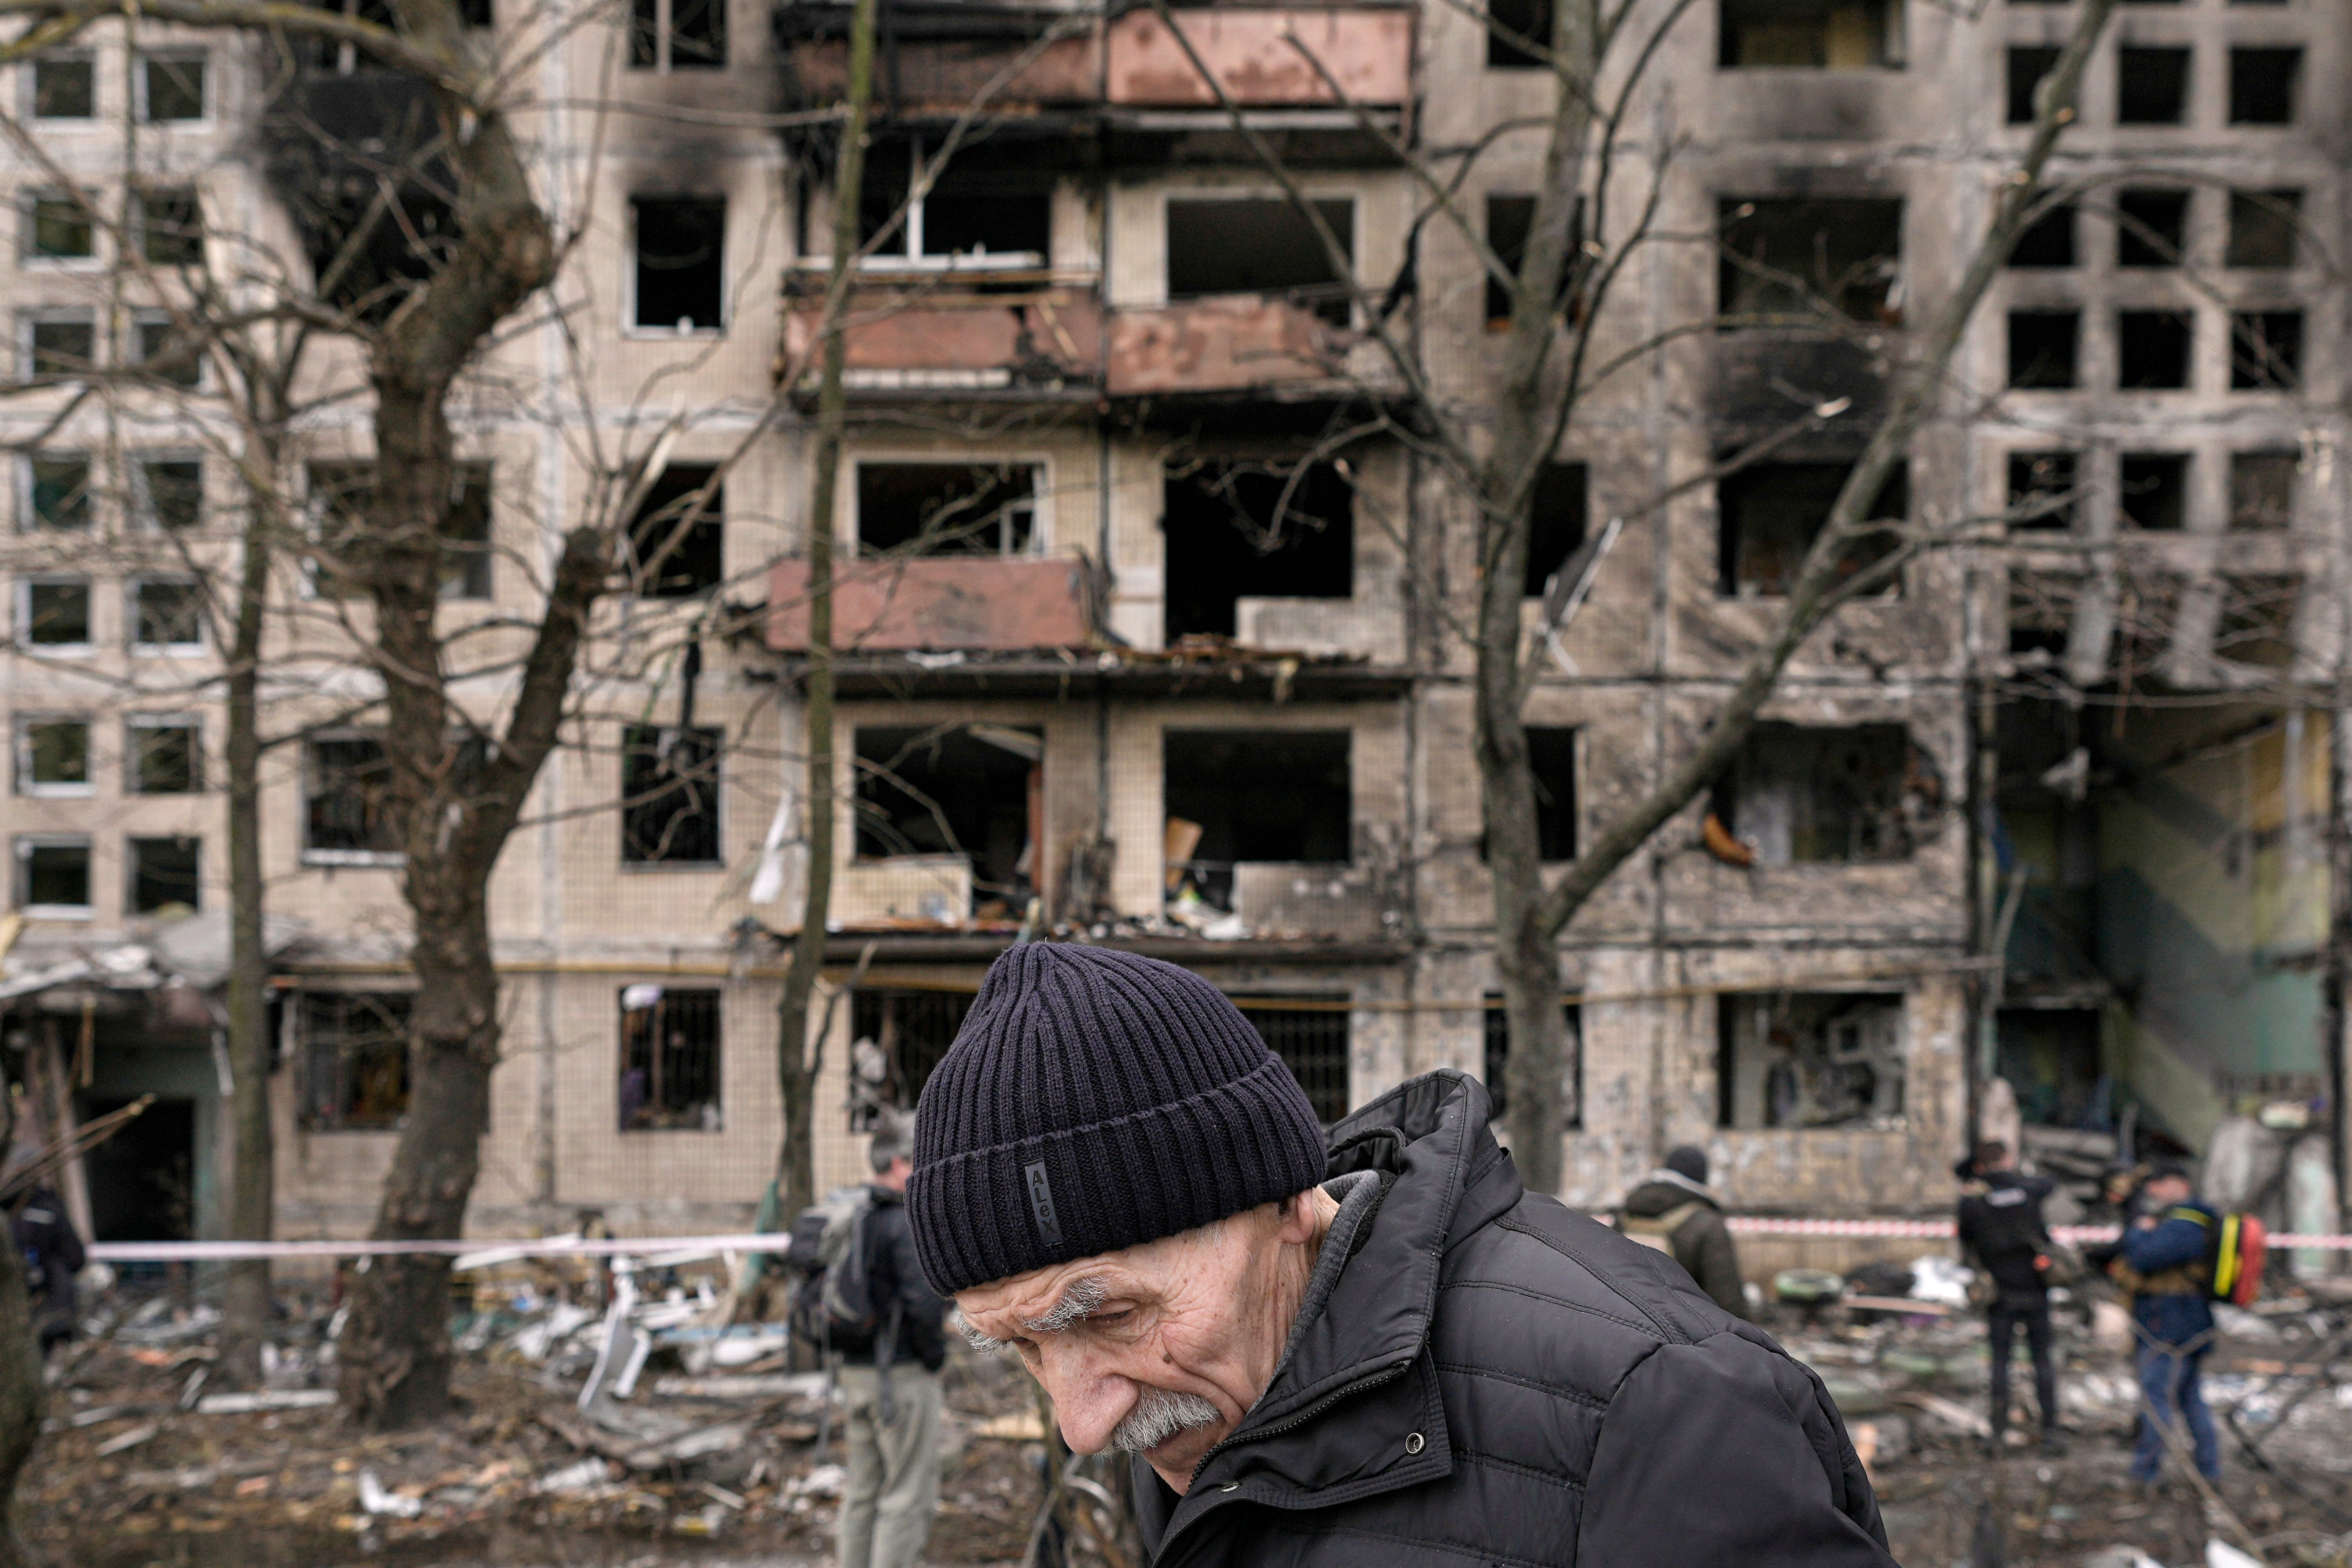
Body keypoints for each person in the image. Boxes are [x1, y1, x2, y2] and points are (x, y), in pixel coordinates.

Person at [910, 945, 1895, 1567]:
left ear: (1282, 1206)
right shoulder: (1196, 1403)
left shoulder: (1659, 1409)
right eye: (1024, 1347)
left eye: (1111, 1314)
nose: (1082, 1422)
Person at [837, 1119, 948, 1568]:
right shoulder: (903, 1222)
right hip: (900, 1378)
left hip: (855, 1374)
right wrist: (934, 1355)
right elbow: (924, 1302)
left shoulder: (857, 1215)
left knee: (862, 1493)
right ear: (900, 1164)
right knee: (906, 1494)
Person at [2115, 1161, 2220, 1488]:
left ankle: (2146, 1473)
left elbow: (2144, 1258)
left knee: (2157, 1398)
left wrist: (2138, 1231)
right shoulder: (2187, 1221)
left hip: (2170, 1325)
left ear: (2179, 1184)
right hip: (2185, 1321)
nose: (2152, 1191)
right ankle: (2209, 1470)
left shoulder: (2184, 1224)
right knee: (2190, 1397)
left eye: (2158, 1183)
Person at [1954, 1139, 2062, 1455]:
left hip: (1999, 1292)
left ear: (1979, 1166)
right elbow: (2050, 1184)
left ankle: (1998, 1435)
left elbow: (1965, 1239)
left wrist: (1973, 1177)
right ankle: (2051, 1433)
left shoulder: (1973, 1200)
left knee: (2001, 1362)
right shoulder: (2029, 1188)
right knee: (2042, 1360)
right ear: (2008, 1158)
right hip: (2035, 1288)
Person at [1616, 1144, 1749, 1318]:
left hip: (1624, 1325)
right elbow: (1727, 1299)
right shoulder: (1707, 1224)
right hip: (1681, 1334)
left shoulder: (1625, 1215)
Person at [11, 1182, 85, 1358]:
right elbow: (76, 1258)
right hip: (56, 1310)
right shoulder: (50, 1207)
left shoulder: (13, 1216)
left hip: (27, 1312)